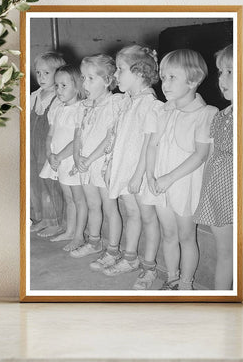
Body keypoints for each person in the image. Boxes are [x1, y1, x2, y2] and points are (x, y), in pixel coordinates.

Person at [143, 49, 218, 290]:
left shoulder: (205, 114)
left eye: (172, 77)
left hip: (183, 184)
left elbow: (200, 154)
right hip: (159, 183)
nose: (165, 83)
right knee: (168, 234)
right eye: (163, 77)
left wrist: (169, 178)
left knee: (186, 236)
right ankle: (172, 277)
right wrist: (150, 175)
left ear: (194, 80)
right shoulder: (163, 110)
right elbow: (152, 145)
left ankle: (186, 283)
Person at [97, 45, 162, 291]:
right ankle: (130, 257)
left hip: (140, 173)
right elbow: (117, 137)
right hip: (124, 169)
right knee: (132, 214)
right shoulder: (127, 101)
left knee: (147, 218)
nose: (116, 76)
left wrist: (138, 175)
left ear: (139, 73)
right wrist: (110, 165)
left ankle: (149, 268)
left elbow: (148, 143)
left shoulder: (149, 103)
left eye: (120, 70)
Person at [69, 54, 123, 258]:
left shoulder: (114, 104)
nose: (85, 83)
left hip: (101, 163)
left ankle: (113, 250)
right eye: (83, 78)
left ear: (108, 80)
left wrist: (90, 159)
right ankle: (94, 242)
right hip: (85, 164)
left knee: (110, 207)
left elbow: (111, 137)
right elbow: (78, 134)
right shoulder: (83, 106)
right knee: (92, 204)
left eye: (91, 78)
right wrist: (77, 157)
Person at [194, 44, 234, 290]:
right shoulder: (221, 114)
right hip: (219, 193)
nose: (223, 79)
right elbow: (210, 155)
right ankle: (221, 302)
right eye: (221, 72)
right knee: (224, 253)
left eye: (230, 71)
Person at [39, 65, 88, 251]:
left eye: (63, 86)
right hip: (58, 160)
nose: (59, 90)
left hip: (70, 159)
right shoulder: (59, 108)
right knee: (68, 198)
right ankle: (69, 230)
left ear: (77, 87)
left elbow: (78, 139)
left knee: (78, 199)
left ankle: (78, 236)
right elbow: (50, 134)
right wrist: (49, 154)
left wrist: (59, 156)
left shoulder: (81, 109)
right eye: (57, 86)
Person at [30, 52, 65, 237]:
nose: (41, 77)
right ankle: (41, 217)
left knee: (50, 183)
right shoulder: (35, 95)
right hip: (32, 147)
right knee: (35, 181)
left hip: (48, 146)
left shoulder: (59, 97)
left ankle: (55, 220)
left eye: (46, 73)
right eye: (38, 73)